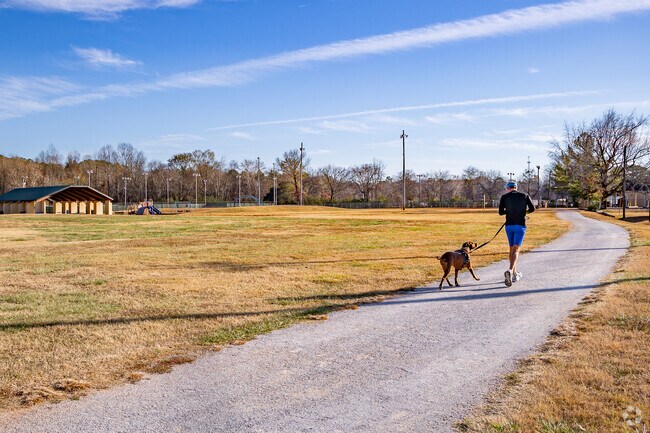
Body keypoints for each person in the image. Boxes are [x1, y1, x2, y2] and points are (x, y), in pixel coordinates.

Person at [498, 180, 535, 287]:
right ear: (516, 187)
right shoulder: (524, 196)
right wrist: (524, 212)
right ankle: (510, 270)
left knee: (511, 250)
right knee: (516, 250)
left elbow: (500, 212)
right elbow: (533, 209)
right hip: (520, 225)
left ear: (508, 188)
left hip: (509, 226)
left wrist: (509, 211)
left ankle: (514, 273)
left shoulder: (504, 197)